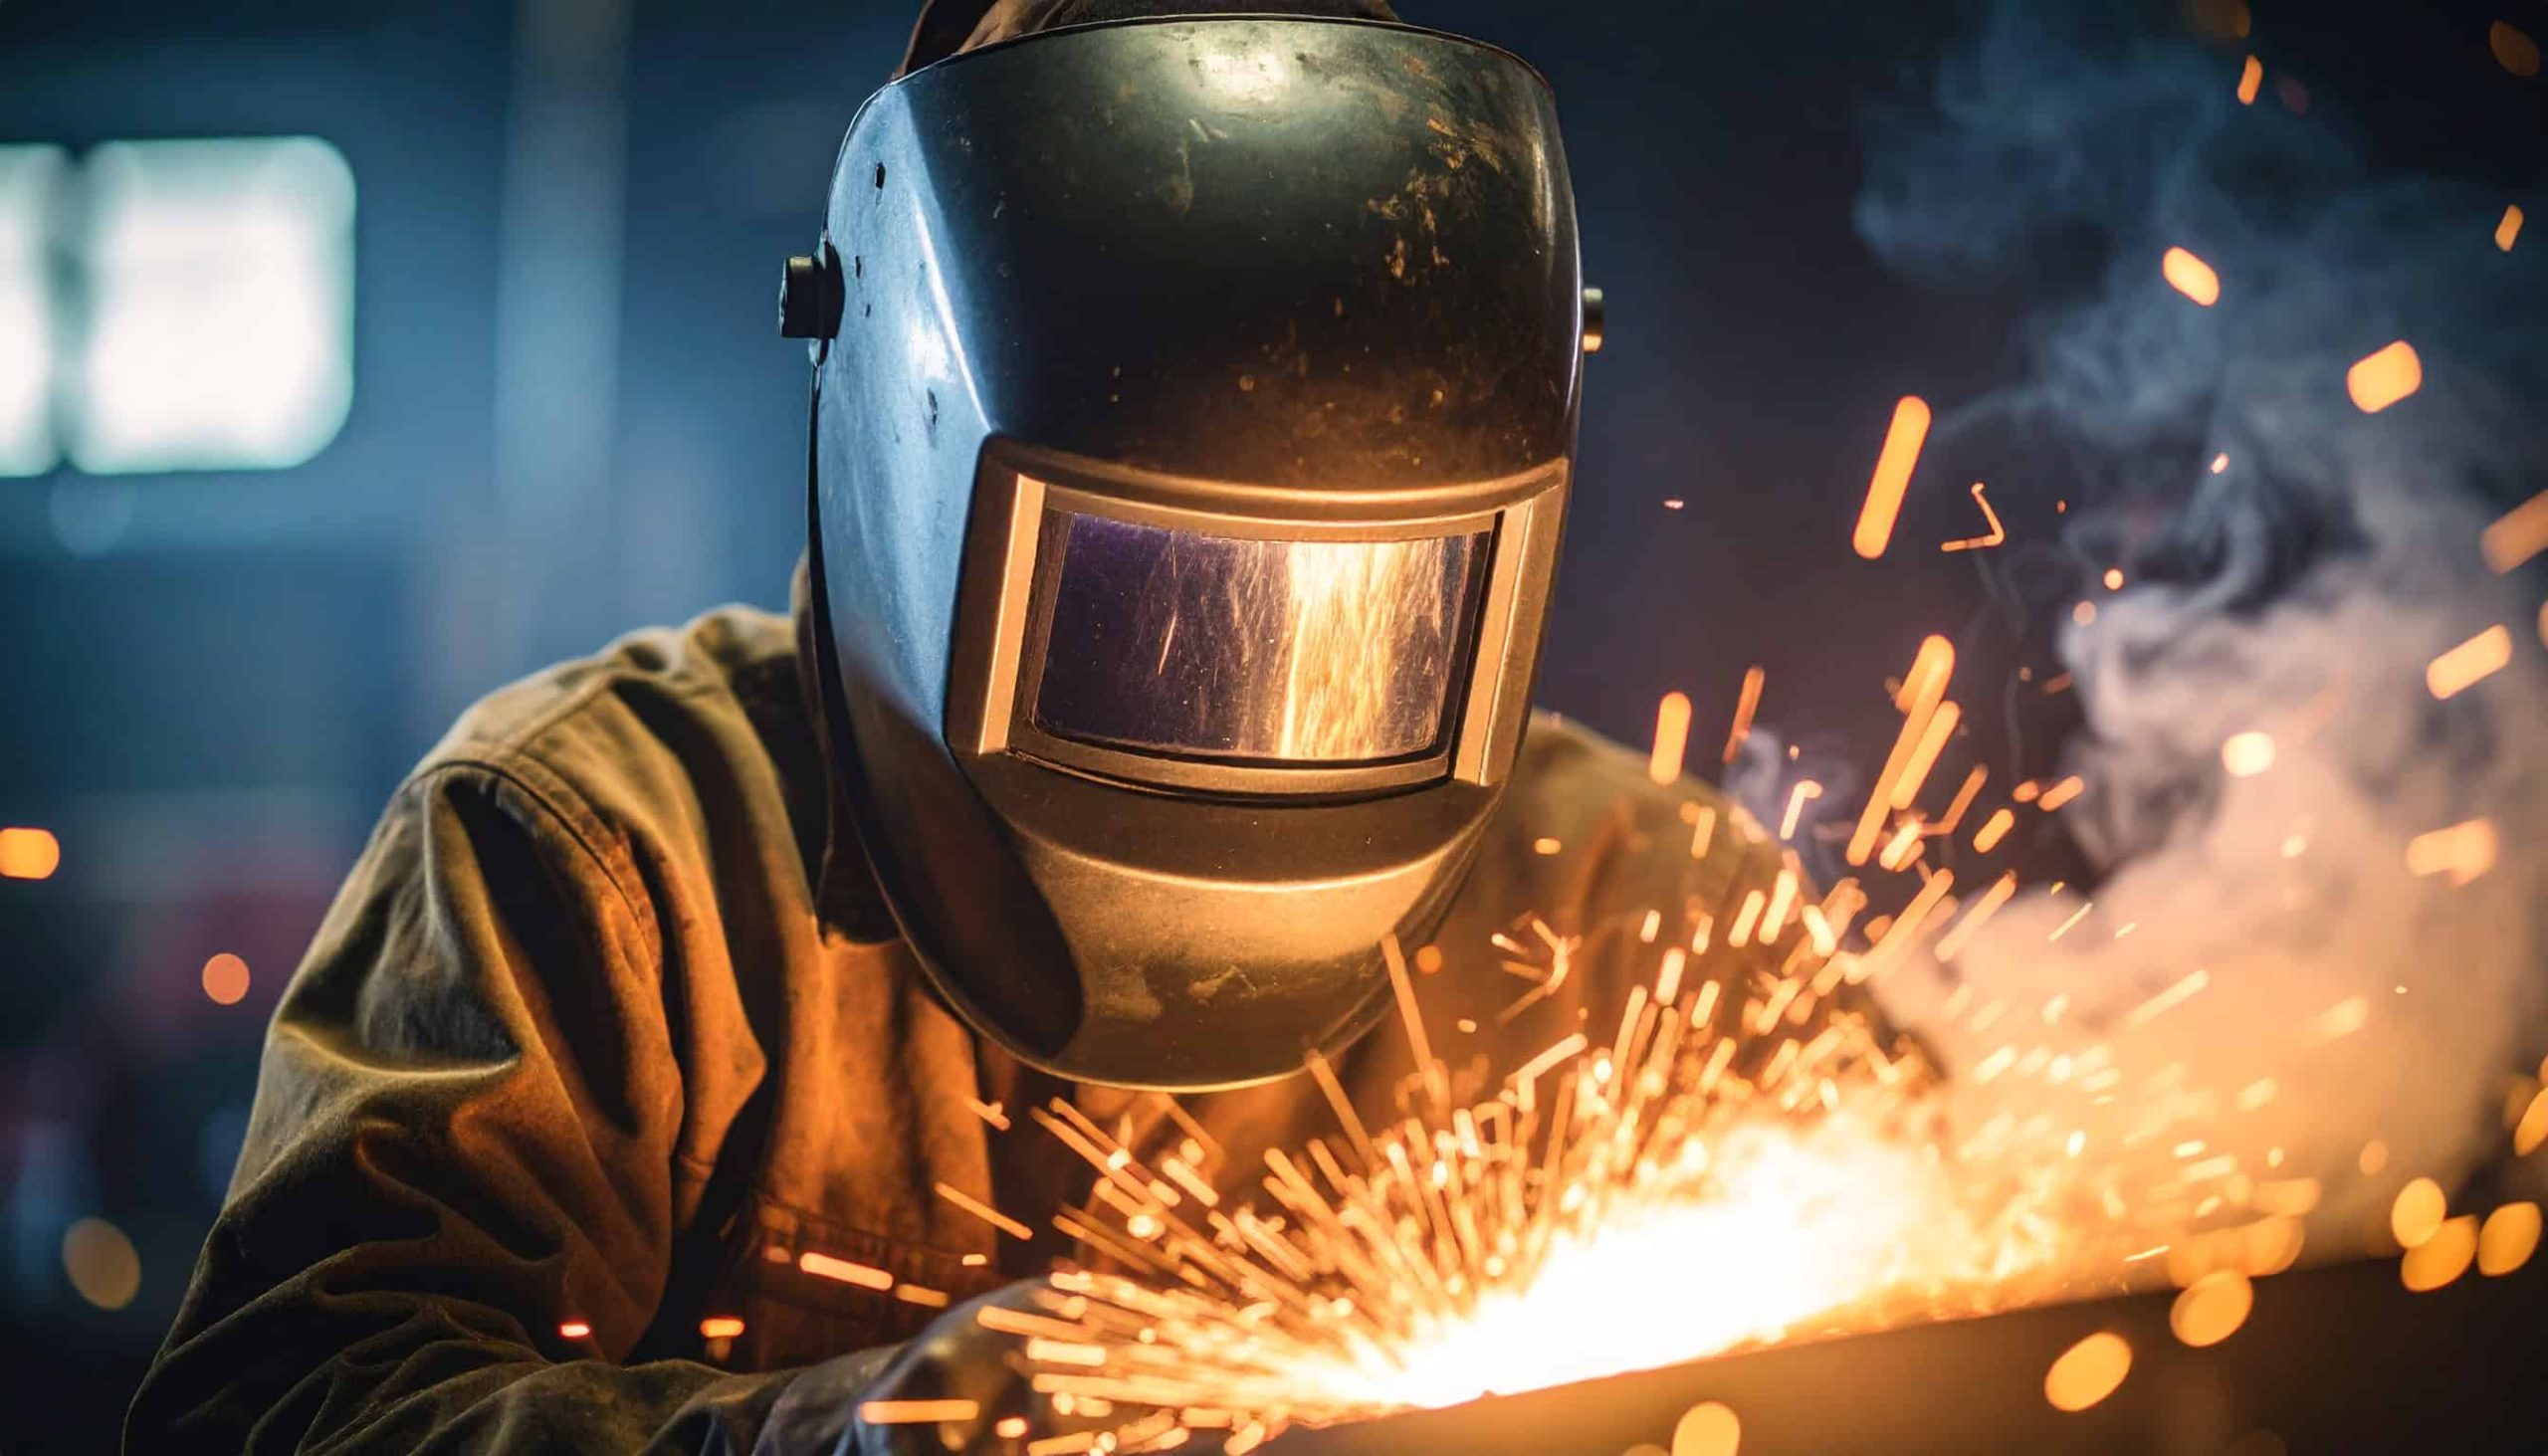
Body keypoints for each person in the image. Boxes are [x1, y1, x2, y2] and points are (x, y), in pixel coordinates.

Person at [127, 2, 1849, 1450]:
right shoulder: (597, 853)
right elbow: (291, 1410)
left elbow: (1950, 1278)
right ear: (921, 449)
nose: (1255, 689)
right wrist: (845, 1436)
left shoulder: (1637, 905)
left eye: (1371, 613)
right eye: (1142, 599)